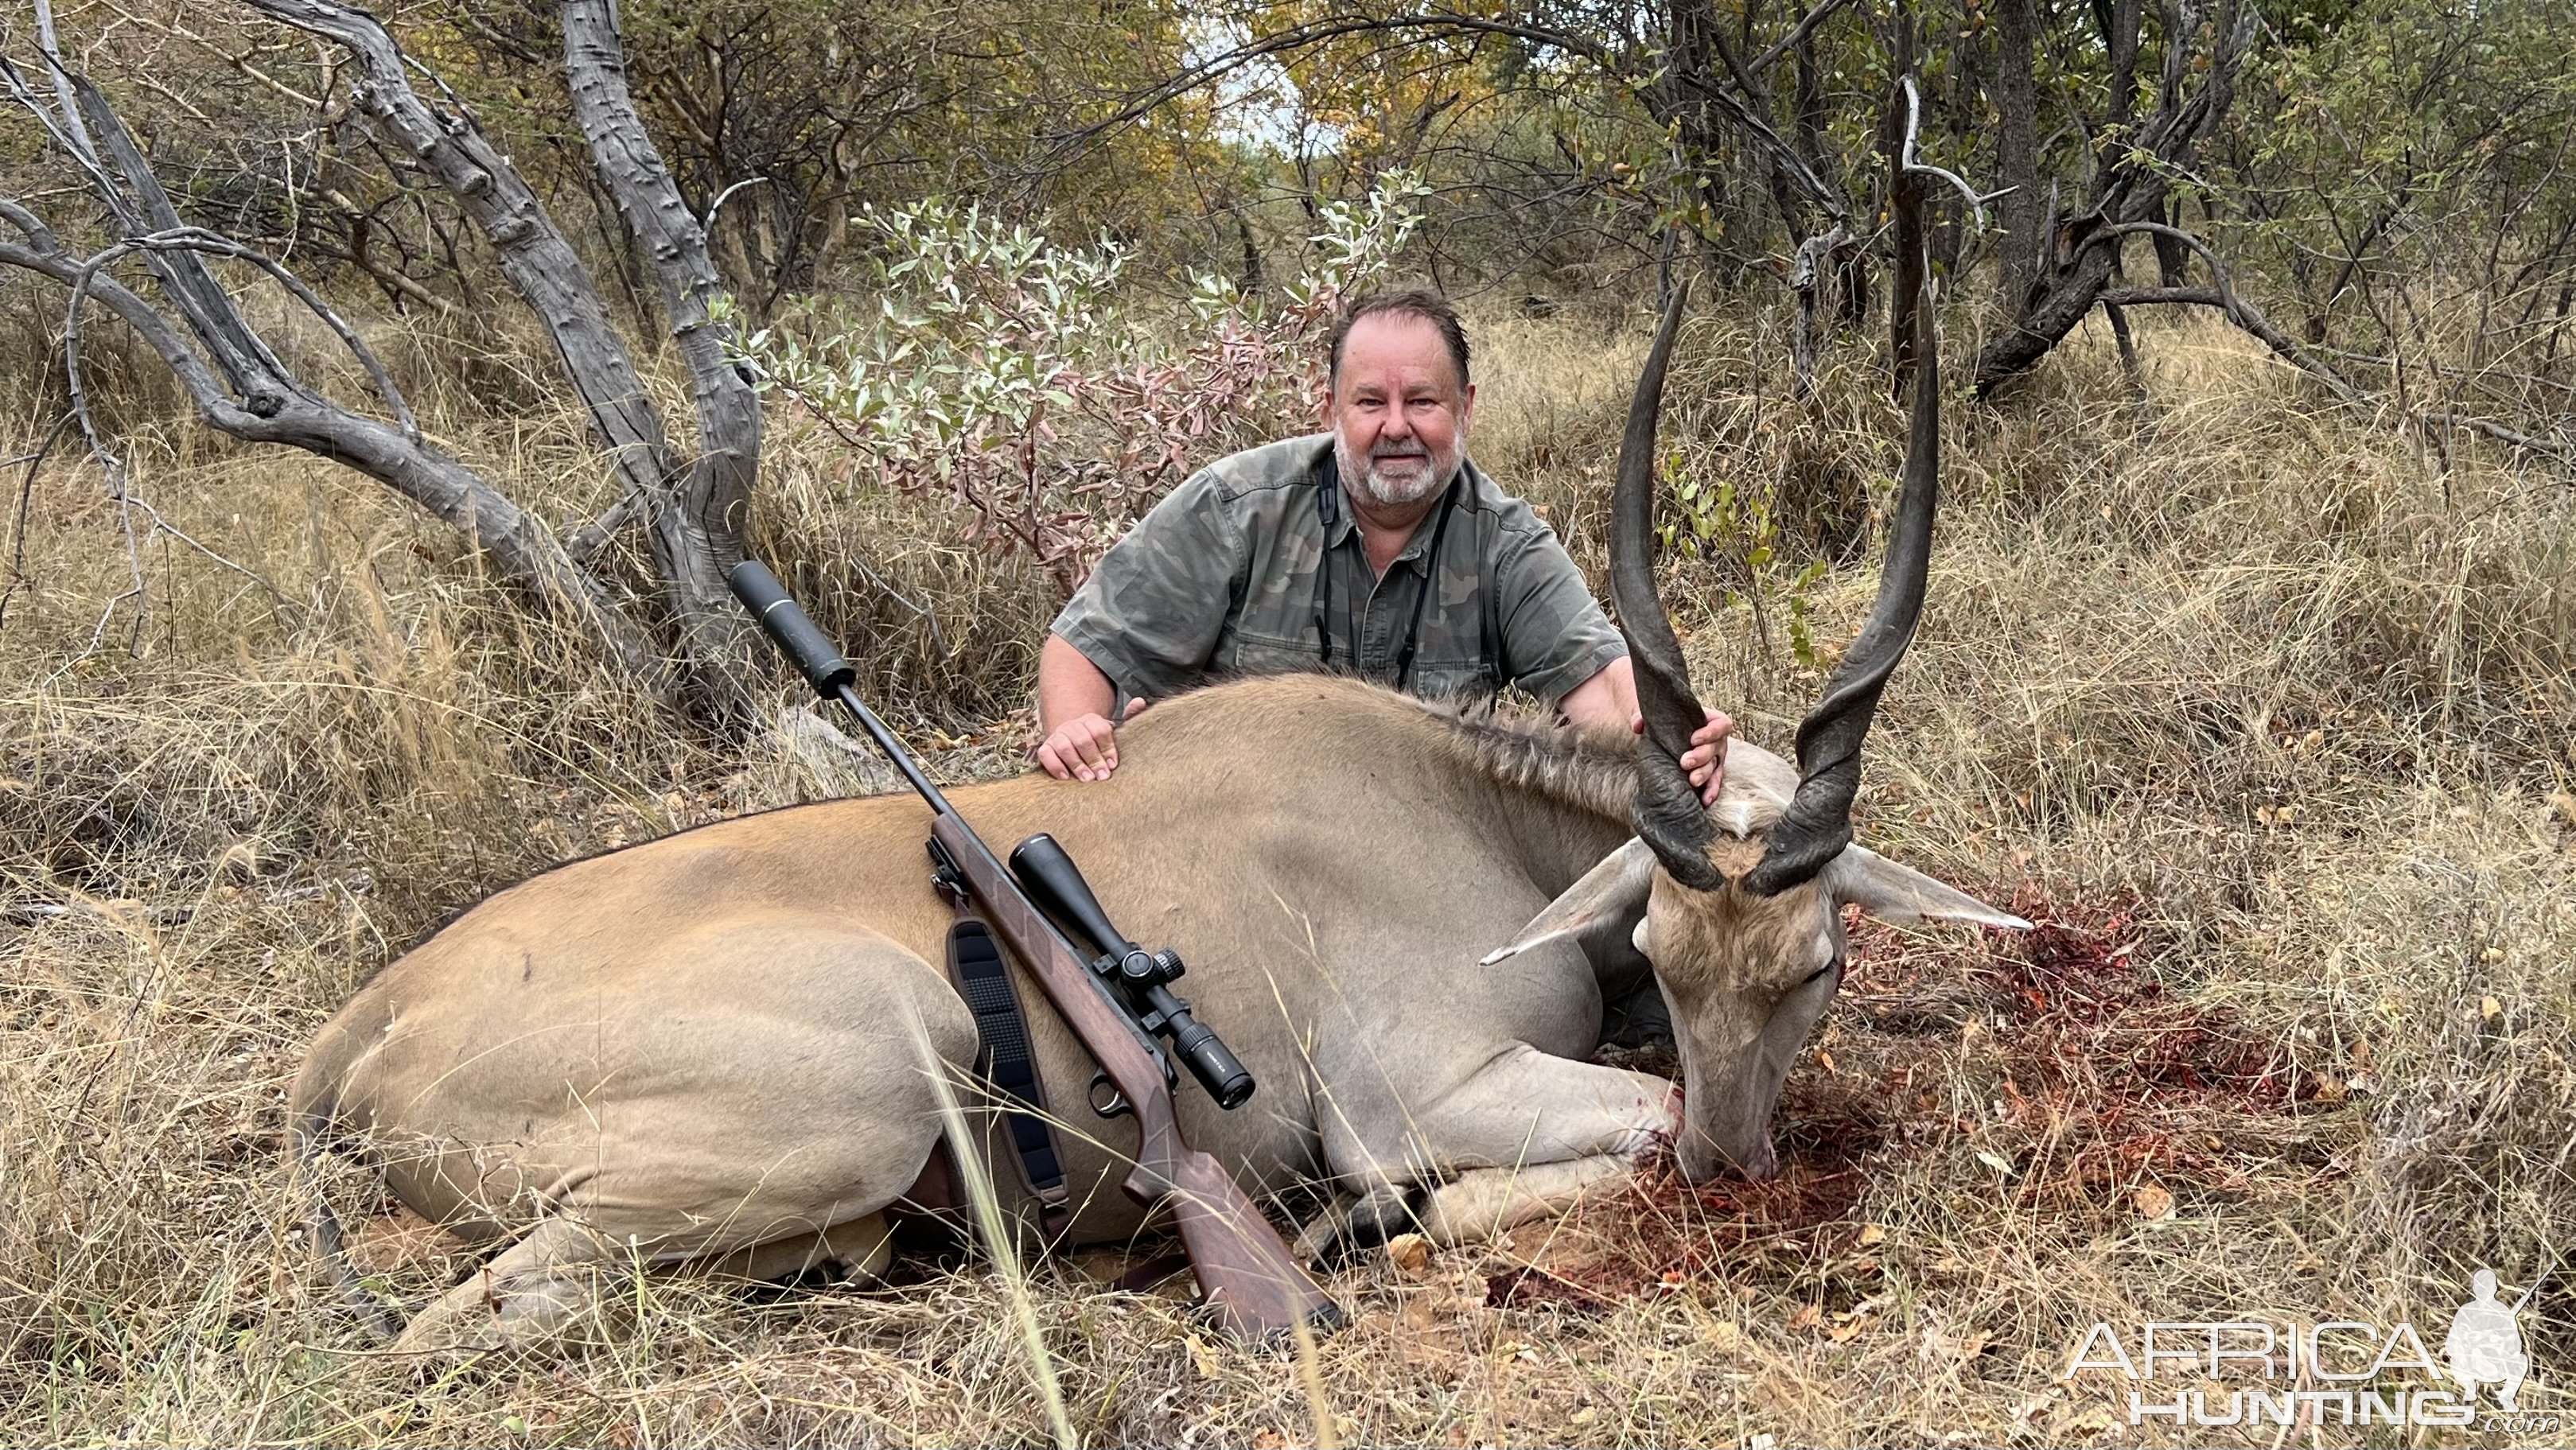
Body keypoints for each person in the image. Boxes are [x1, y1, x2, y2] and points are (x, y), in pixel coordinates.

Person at [1034, 287, 1731, 803]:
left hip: (1412, 856)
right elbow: (1082, 647)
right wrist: (1077, 736)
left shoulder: (1506, 543)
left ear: (1466, 406)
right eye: (1371, 402)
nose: (1396, 426)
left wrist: (1674, 733)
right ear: (1330, 406)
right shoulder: (1237, 506)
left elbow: (1603, 683)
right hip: (1229, 823)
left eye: (1423, 401)